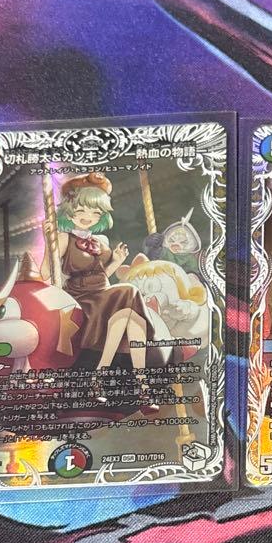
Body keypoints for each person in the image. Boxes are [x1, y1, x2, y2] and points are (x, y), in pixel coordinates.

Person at [55, 173, 158, 406]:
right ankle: (133, 385)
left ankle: (137, 385)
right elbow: (46, 273)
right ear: (69, 211)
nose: (88, 217)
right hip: (82, 298)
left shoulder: (100, 241)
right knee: (129, 293)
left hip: (104, 293)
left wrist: (116, 261)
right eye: (81, 210)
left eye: (95, 212)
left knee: (129, 317)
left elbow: (101, 275)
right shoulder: (63, 238)